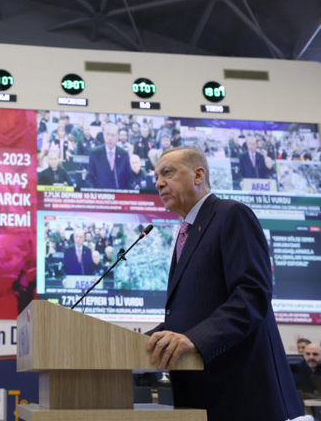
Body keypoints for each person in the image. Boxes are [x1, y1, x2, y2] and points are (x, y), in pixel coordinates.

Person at [145, 147, 302, 421]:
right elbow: (193, 311)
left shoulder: (231, 214)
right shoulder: (185, 232)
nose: (158, 183)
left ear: (198, 175)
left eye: (167, 173)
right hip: (201, 392)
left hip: (242, 393)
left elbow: (251, 294)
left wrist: (195, 338)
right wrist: (137, 341)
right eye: (156, 177)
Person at [86, 123, 132, 190]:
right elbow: (89, 178)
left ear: (117, 137)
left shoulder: (123, 154)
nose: (110, 138)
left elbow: (129, 178)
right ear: (103, 135)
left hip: (119, 194)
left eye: (113, 135)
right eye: (107, 134)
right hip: (101, 194)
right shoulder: (95, 153)